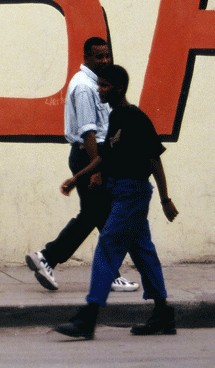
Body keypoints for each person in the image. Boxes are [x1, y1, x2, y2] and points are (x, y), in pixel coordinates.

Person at [54, 63, 179, 340]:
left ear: (118, 89)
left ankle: (89, 317)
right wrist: (78, 178)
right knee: (143, 251)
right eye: (98, 84)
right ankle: (163, 314)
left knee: (108, 246)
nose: (99, 89)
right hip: (119, 190)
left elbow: (154, 159)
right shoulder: (115, 117)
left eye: (104, 86)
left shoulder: (136, 118)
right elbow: (106, 155)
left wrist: (165, 199)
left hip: (132, 193)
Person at [25, 37, 138, 293]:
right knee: (96, 215)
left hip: (93, 156)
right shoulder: (86, 88)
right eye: (99, 57)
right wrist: (95, 170)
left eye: (107, 55)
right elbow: (88, 132)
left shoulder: (93, 84)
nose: (105, 61)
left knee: (100, 215)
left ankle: (106, 272)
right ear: (86, 57)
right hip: (90, 155)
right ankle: (48, 256)